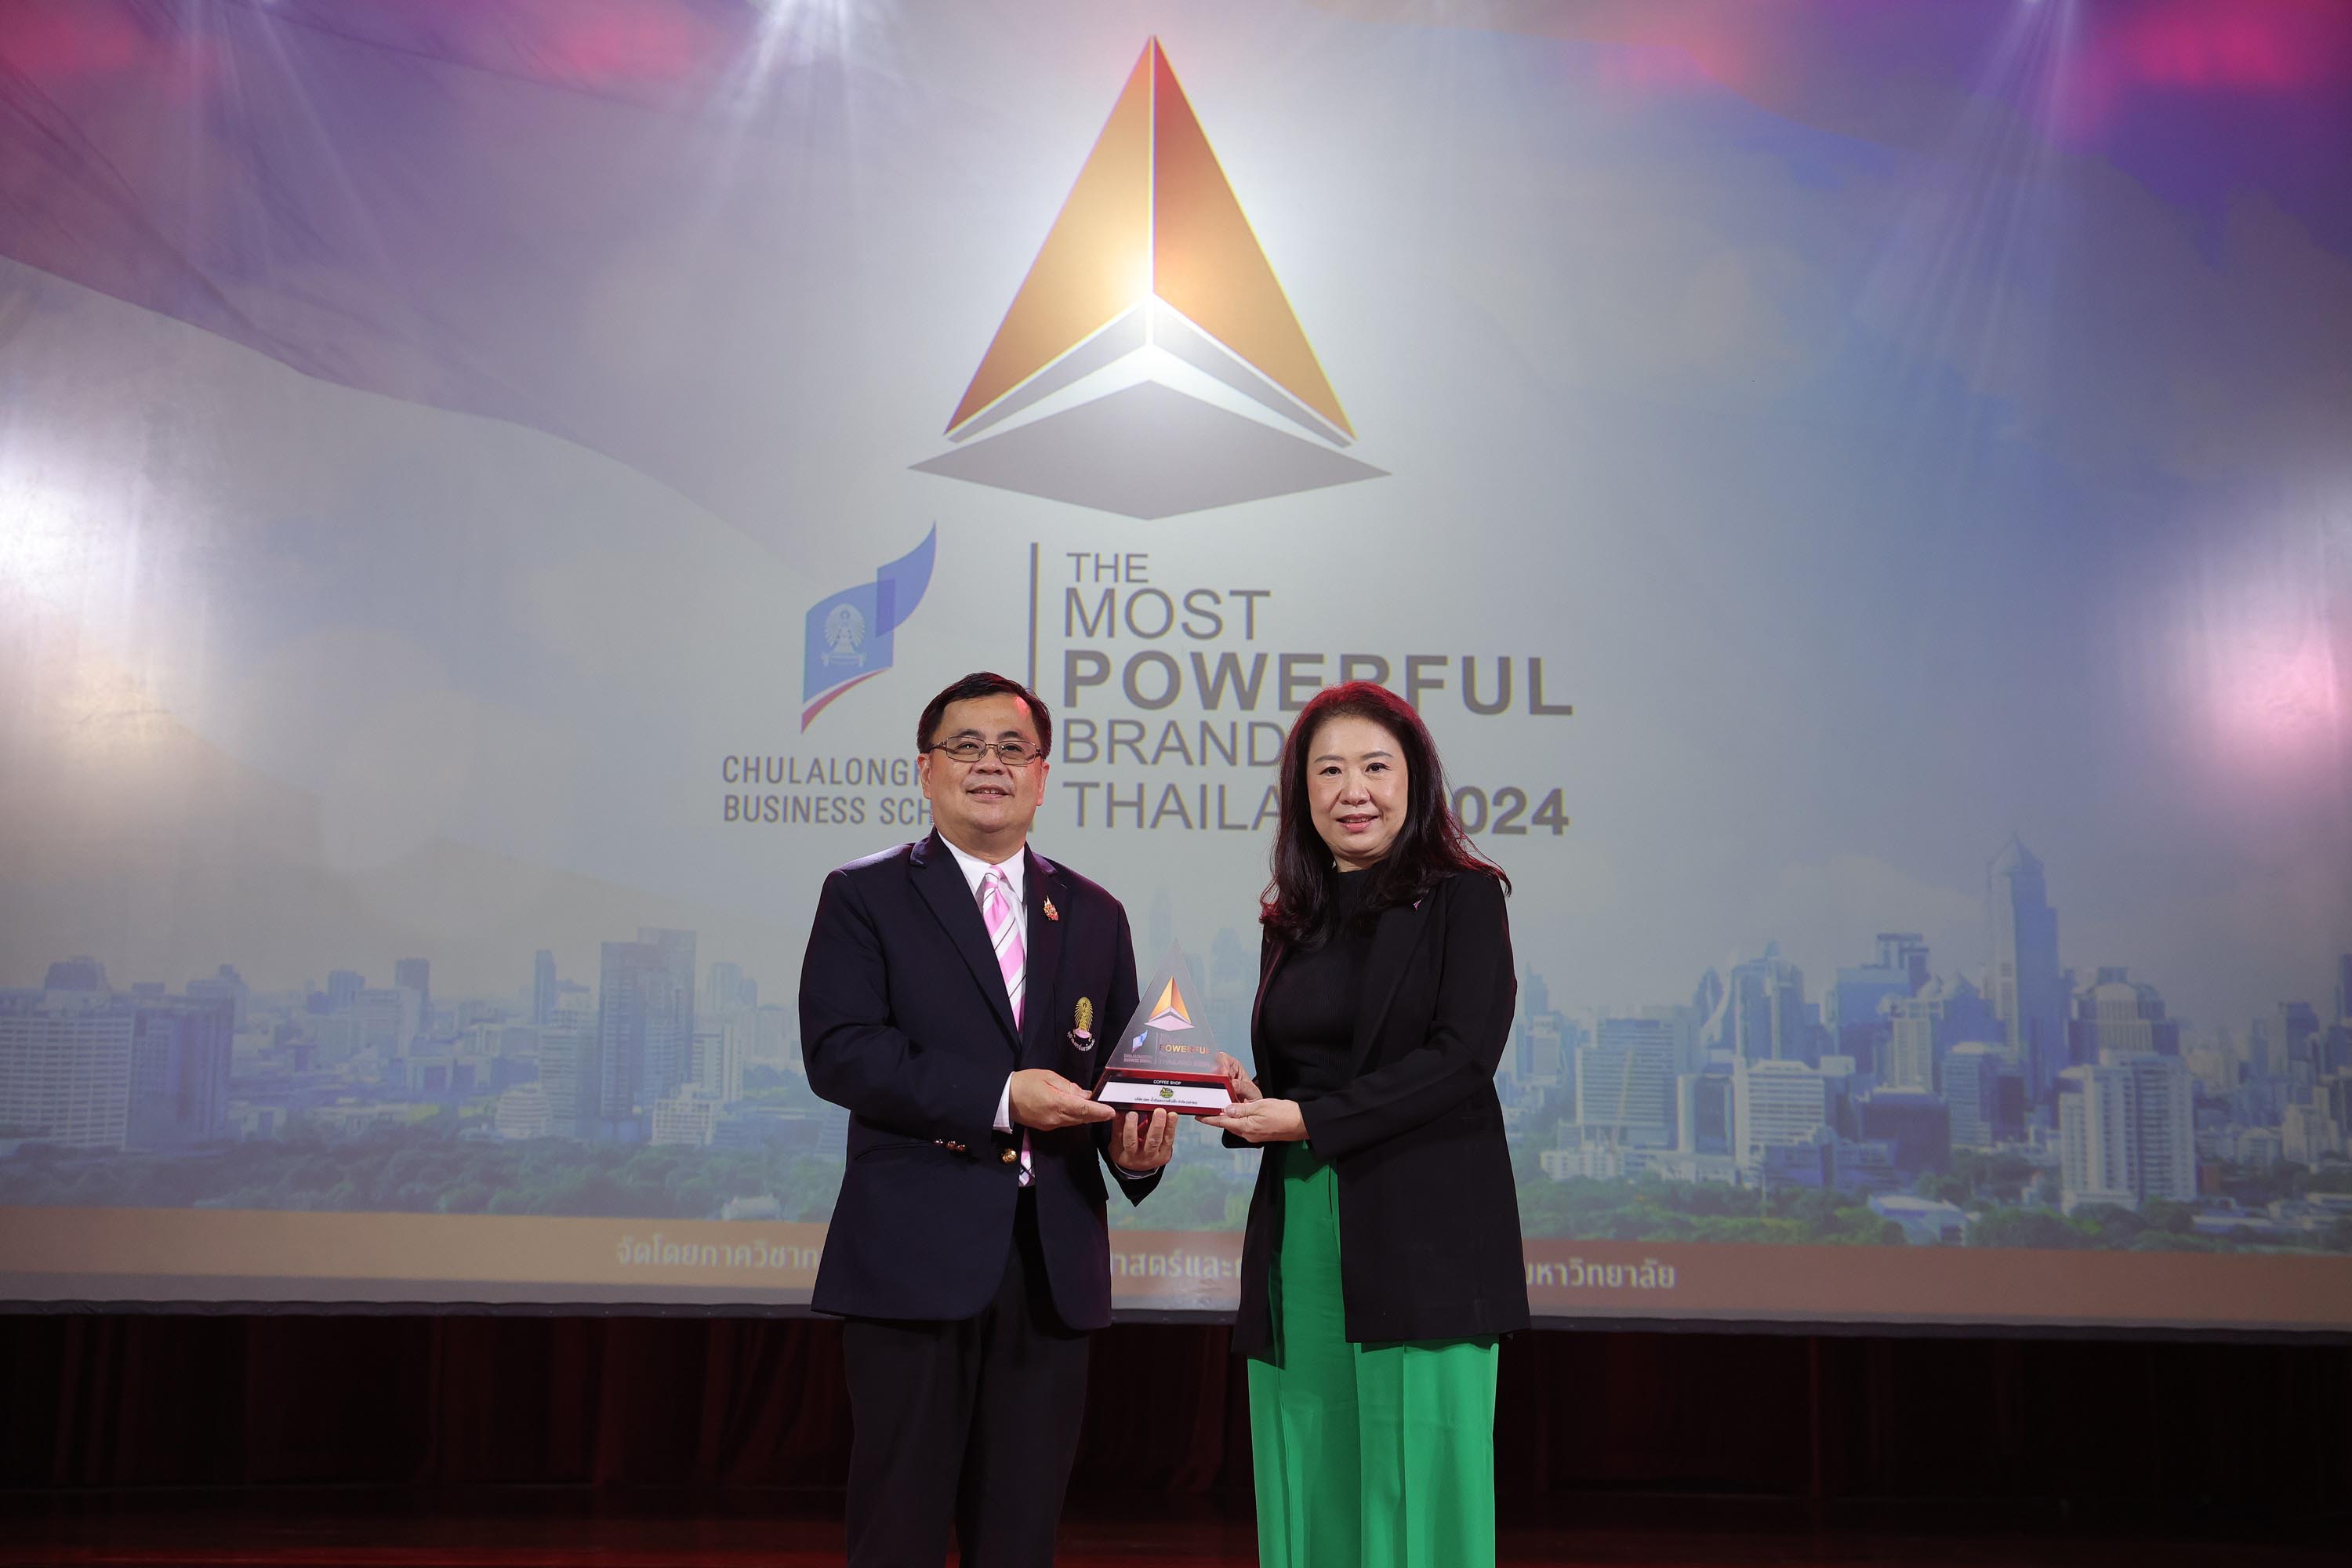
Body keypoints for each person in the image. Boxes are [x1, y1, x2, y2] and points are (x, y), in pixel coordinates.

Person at [800, 671, 1179, 1568]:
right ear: (925, 769)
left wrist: (1136, 1148)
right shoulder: (865, 894)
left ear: (1042, 776)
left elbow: (1115, 1077)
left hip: (1051, 1265)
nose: (990, 765)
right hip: (912, 1256)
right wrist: (1003, 1096)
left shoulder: (1094, 911)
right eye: (966, 746)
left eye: (1013, 749)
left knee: (1020, 1534)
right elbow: (842, 1052)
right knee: (898, 1529)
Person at [1204, 680, 1527, 1568]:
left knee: (1416, 1478)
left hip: (1425, 1229)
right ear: (1302, 791)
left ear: (1414, 780)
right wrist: (1247, 1097)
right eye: (1330, 770)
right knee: (1310, 1464)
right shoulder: (1292, 918)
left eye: (1376, 767)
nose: (1354, 790)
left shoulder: (1465, 898)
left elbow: (1463, 1056)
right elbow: (1309, 1072)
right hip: (1302, 1225)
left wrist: (1309, 1115)